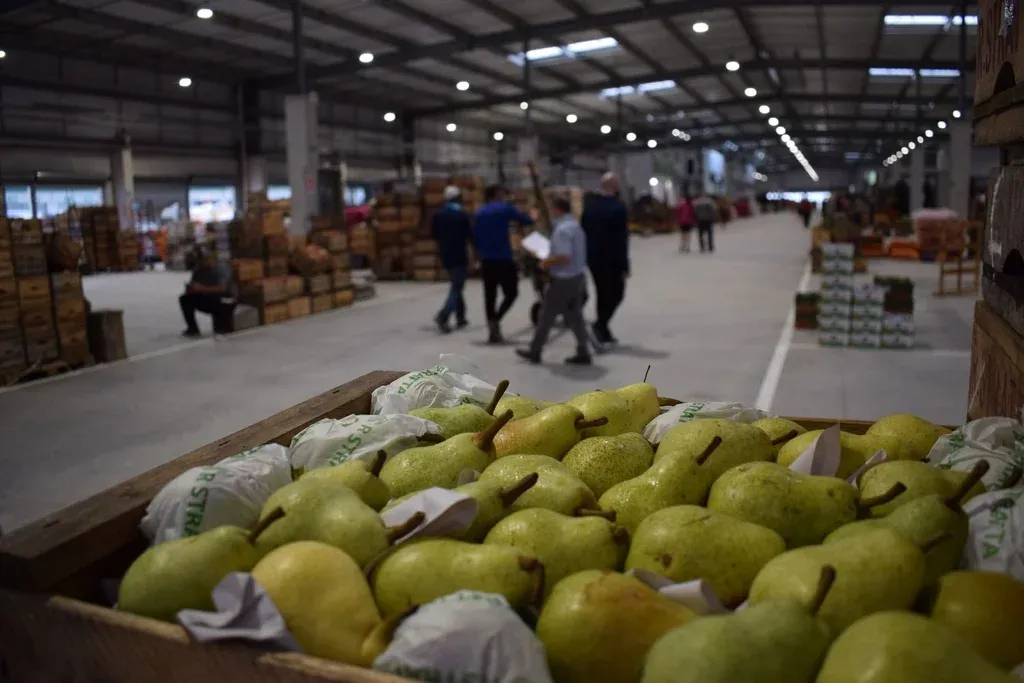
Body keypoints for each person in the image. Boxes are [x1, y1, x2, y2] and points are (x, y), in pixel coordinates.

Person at [516, 196, 591, 366]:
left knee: (546, 316)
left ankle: (535, 351)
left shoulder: (562, 230)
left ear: (557, 210)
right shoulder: (575, 227)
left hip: (563, 279)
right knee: (575, 316)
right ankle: (583, 351)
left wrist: (546, 262)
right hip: (577, 277)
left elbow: (564, 257)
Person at [474, 184, 534, 344]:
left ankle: (492, 327)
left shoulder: (480, 212)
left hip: (486, 259)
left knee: (490, 295)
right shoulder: (504, 209)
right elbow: (525, 220)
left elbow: (475, 236)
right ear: (496, 194)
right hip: (503, 257)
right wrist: (533, 216)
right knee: (512, 292)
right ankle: (497, 319)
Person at [581, 172, 629, 345]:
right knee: (617, 293)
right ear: (614, 186)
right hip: (612, 258)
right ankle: (600, 325)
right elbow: (621, 239)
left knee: (601, 292)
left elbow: (583, 230)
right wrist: (624, 265)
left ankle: (603, 331)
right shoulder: (618, 208)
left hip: (593, 257)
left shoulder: (590, 206)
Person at [431, 185, 473, 333]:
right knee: (457, 286)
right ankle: (444, 315)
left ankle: (461, 317)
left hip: (445, 254)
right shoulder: (462, 215)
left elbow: (434, 234)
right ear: (458, 198)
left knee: (457, 284)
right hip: (459, 254)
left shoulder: (438, 215)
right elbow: (469, 235)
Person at [179, 250, 233, 337]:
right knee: (185, 299)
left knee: (220, 300)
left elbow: (222, 289)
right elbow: (194, 285)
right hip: (208, 297)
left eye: (205, 260)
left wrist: (201, 288)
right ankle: (192, 328)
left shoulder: (220, 268)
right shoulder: (198, 270)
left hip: (225, 299)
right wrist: (191, 289)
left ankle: (223, 325)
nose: (202, 264)